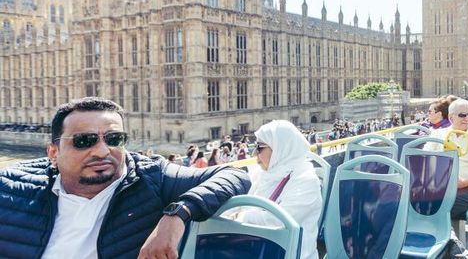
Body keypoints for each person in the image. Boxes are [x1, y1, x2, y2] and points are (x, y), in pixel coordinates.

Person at [0, 97, 250, 259]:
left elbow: (234, 175)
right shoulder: (11, 184)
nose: (101, 151)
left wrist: (177, 214)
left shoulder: (151, 177)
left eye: (114, 139)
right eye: (84, 141)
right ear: (53, 153)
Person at [239, 120, 322, 259]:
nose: (254, 154)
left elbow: (278, 221)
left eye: (259, 147)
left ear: (280, 148)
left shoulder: (306, 181)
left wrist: (240, 216)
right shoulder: (264, 174)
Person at [428, 98, 468, 219]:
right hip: (437, 187)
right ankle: (449, 235)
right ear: (451, 118)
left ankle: (447, 235)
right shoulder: (437, 135)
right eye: (462, 115)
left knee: (438, 205)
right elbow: (425, 161)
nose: (467, 118)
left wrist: (462, 183)